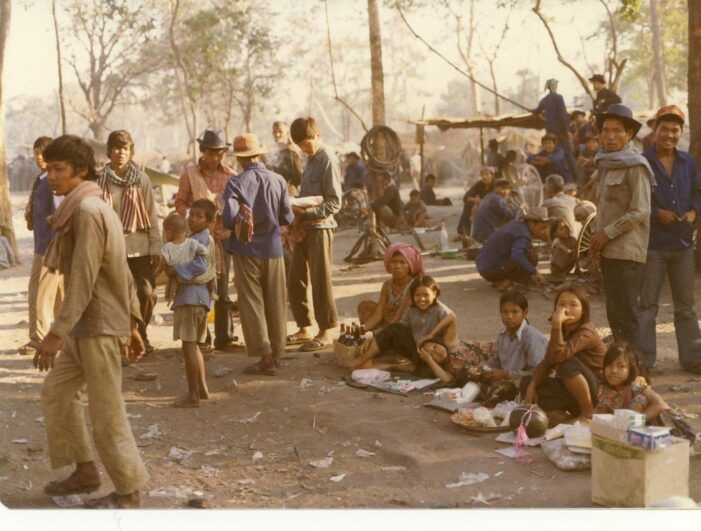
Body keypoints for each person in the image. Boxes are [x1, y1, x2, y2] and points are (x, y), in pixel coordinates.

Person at [35, 135, 148, 508]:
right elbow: (120, 272)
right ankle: (85, 472)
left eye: (59, 168)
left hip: (97, 324)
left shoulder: (87, 211)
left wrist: (53, 334)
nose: (51, 175)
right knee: (58, 393)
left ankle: (128, 492)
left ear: (80, 170)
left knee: (106, 411)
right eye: (48, 168)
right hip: (88, 325)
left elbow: (83, 280)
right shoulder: (84, 205)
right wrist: (131, 323)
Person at [222, 133, 294, 376]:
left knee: (252, 303)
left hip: (246, 249)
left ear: (240, 159)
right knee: (276, 301)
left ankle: (264, 357)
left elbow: (229, 218)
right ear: (258, 154)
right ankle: (278, 352)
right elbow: (287, 217)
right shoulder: (278, 180)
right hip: (273, 249)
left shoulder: (235, 183)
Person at [637, 105, 701, 373]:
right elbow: (637, 201)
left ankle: (693, 359)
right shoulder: (642, 162)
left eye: (675, 130)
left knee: (685, 306)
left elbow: (698, 192)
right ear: (656, 130)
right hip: (653, 245)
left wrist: (694, 211)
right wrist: (656, 213)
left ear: (681, 132)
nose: (670, 135)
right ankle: (643, 361)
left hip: (683, 244)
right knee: (647, 305)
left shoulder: (688, 162)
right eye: (665, 129)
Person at [589, 104, 653, 348]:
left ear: (629, 135)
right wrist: (598, 238)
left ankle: (636, 373)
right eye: (606, 130)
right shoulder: (605, 164)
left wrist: (606, 234)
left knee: (626, 314)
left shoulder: (636, 166)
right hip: (608, 251)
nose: (610, 136)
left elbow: (640, 211)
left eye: (617, 131)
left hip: (627, 252)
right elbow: (605, 210)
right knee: (615, 314)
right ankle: (623, 370)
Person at [98, 130, 162, 354]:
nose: (121, 153)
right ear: (109, 151)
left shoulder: (142, 179)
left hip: (139, 248)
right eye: (116, 148)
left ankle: (141, 334)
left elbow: (152, 216)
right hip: (111, 249)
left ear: (131, 151)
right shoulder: (100, 180)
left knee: (147, 293)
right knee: (116, 297)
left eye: (125, 148)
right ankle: (124, 340)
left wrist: (156, 248)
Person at [175, 128, 238, 351]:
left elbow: (236, 206)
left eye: (220, 153)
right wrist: (195, 216)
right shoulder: (189, 174)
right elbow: (180, 203)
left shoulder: (230, 175)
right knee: (201, 288)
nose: (215, 157)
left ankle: (225, 337)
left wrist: (225, 216)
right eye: (211, 152)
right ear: (203, 151)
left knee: (222, 289)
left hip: (223, 239)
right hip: (198, 241)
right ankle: (203, 339)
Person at [286, 117, 342, 351]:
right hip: (303, 229)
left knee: (320, 280)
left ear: (317, 135)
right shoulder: (309, 160)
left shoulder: (328, 159)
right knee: (295, 278)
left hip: (321, 228)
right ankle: (304, 326)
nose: (304, 149)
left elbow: (334, 203)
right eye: (300, 146)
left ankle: (326, 330)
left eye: (307, 144)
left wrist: (305, 213)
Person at [523, 283, 606, 423]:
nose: (566, 309)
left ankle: (588, 413)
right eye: (561, 304)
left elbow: (559, 357)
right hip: (573, 387)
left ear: (583, 310)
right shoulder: (563, 330)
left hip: (596, 388)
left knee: (566, 363)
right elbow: (548, 361)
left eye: (573, 305)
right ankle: (564, 413)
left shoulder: (587, 331)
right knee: (527, 382)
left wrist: (556, 325)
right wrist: (532, 385)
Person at [165, 200, 217, 407]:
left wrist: (176, 270)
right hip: (197, 297)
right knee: (194, 345)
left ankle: (193, 395)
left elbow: (200, 266)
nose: (193, 219)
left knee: (188, 346)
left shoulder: (201, 241)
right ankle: (202, 389)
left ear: (210, 222)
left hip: (191, 297)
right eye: (191, 215)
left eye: (199, 216)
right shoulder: (196, 239)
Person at [350, 276, 458, 373]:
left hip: (436, 354)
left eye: (426, 295)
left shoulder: (441, 311)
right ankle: (361, 361)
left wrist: (432, 335)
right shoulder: (412, 311)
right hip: (417, 350)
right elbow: (396, 327)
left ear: (434, 293)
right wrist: (372, 338)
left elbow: (452, 316)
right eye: (417, 295)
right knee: (395, 329)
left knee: (430, 371)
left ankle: (401, 367)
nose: (422, 299)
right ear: (412, 297)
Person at [19, 136, 64, 356]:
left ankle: (39, 338)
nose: (38, 158)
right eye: (36, 153)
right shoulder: (42, 180)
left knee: (40, 294)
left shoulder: (52, 183)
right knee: (57, 295)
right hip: (44, 243)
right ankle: (62, 338)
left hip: (49, 246)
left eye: (42, 153)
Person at [469, 291, 548, 401]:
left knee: (494, 395)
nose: (509, 316)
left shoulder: (531, 337)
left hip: (529, 384)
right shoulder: (503, 333)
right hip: (508, 379)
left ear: (524, 313)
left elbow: (538, 372)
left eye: (515, 312)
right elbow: (496, 359)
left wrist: (506, 375)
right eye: (505, 312)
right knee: (469, 379)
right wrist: (482, 369)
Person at [475, 206, 551, 291]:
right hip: (491, 269)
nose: (543, 231)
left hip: (483, 266)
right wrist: (535, 272)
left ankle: (502, 280)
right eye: (542, 228)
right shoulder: (523, 235)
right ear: (532, 223)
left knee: (529, 252)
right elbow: (517, 256)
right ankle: (507, 281)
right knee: (531, 257)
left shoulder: (517, 224)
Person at [357, 242, 425, 331]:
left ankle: (383, 334)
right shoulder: (387, 285)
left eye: (402, 262)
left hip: (405, 322)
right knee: (365, 306)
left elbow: (403, 314)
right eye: (394, 262)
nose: (397, 266)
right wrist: (359, 331)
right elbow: (378, 314)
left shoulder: (413, 285)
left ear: (410, 266)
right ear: (388, 264)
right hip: (391, 320)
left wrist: (380, 334)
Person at [595, 342, 669, 420]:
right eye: (609, 365)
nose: (614, 370)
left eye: (621, 366)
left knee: (640, 398)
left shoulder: (637, 384)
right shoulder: (605, 390)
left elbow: (660, 405)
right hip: (625, 427)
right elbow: (602, 417)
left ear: (631, 369)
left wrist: (633, 422)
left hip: (651, 425)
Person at [158, 212, 211, 305]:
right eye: (191, 215)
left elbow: (162, 265)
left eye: (165, 232)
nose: (193, 219)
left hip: (186, 298)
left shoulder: (167, 247)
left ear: (169, 233)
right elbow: (205, 252)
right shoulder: (193, 242)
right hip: (201, 297)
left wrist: (174, 269)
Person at [532, 78, 576, 177]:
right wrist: (568, 130)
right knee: (567, 155)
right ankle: (573, 178)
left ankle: (564, 177)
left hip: (551, 134)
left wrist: (533, 111)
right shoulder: (559, 97)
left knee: (555, 155)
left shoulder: (544, 100)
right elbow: (563, 114)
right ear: (554, 86)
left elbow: (536, 111)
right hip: (561, 133)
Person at [472, 178, 518, 243]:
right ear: (496, 188)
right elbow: (511, 217)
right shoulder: (497, 200)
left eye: (508, 189)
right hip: (487, 235)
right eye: (503, 189)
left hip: (478, 234)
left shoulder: (488, 196)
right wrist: (518, 209)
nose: (506, 192)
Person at [269, 120, 303, 197]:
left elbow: (299, 176)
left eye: (280, 132)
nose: (277, 134)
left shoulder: (292, 151)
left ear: (287, 134)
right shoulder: (273, 151)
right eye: (275, 132)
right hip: (276, 191)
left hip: (290, 191)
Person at [457, 166, 494, 238]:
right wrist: (475, 200)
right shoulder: (479, 184)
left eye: (486, 174)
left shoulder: (496, 183)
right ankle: (463, 232)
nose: (484, 177)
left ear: (491, 175)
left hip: (496, 205)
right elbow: (466, 197)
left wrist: (484, 201)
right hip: (484, 206)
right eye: (482, 175)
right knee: (468, 204)